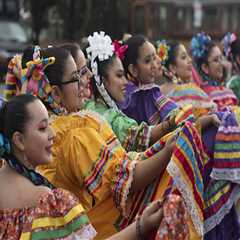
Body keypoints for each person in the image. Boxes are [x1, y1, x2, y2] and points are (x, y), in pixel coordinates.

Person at [5, 45, 197, 239]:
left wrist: (168, 141)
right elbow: (125, 180)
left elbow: (125, 165)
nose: (86, 78)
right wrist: (169, 147)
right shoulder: (74, 136)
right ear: (55, 93)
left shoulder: (74, 124)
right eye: (77, 75)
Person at [0, 94, 97, 239]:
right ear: (19, 140)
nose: (53, 134)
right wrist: (139, 228)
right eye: (43, 128)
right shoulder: (46, 201)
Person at [191, 32, 238, 111]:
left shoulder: (226, 91)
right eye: (216, 60)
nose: (221, 64)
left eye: (221, 58)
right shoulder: (202, 94)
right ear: (205, 67)